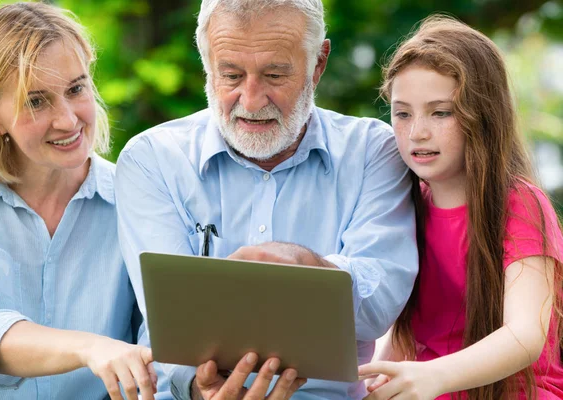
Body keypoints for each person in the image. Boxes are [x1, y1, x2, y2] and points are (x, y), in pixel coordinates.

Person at [115, 0, 419, 399]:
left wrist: (306, 264)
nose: (252, 99)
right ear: (207, 64)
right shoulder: (152, 158)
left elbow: (381, 304)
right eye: (231, 75)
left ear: (318, 64)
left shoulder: (372, 151)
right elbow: (167, 322)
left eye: (275, 74)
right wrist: (198, 386)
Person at [357, 15, 563, 400]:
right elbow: (408, 338)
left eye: (441, 112)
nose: (417, 131)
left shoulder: (520, 203)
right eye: (402, 113)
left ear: (482, 115)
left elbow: (524, 336)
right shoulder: (406, 201)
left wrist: (432, 377)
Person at [0, 3, 158, 400]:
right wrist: (90, 347)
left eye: (76, 89)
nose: (68, 120)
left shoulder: (137, 196)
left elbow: (161, 335)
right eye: (36, 101)